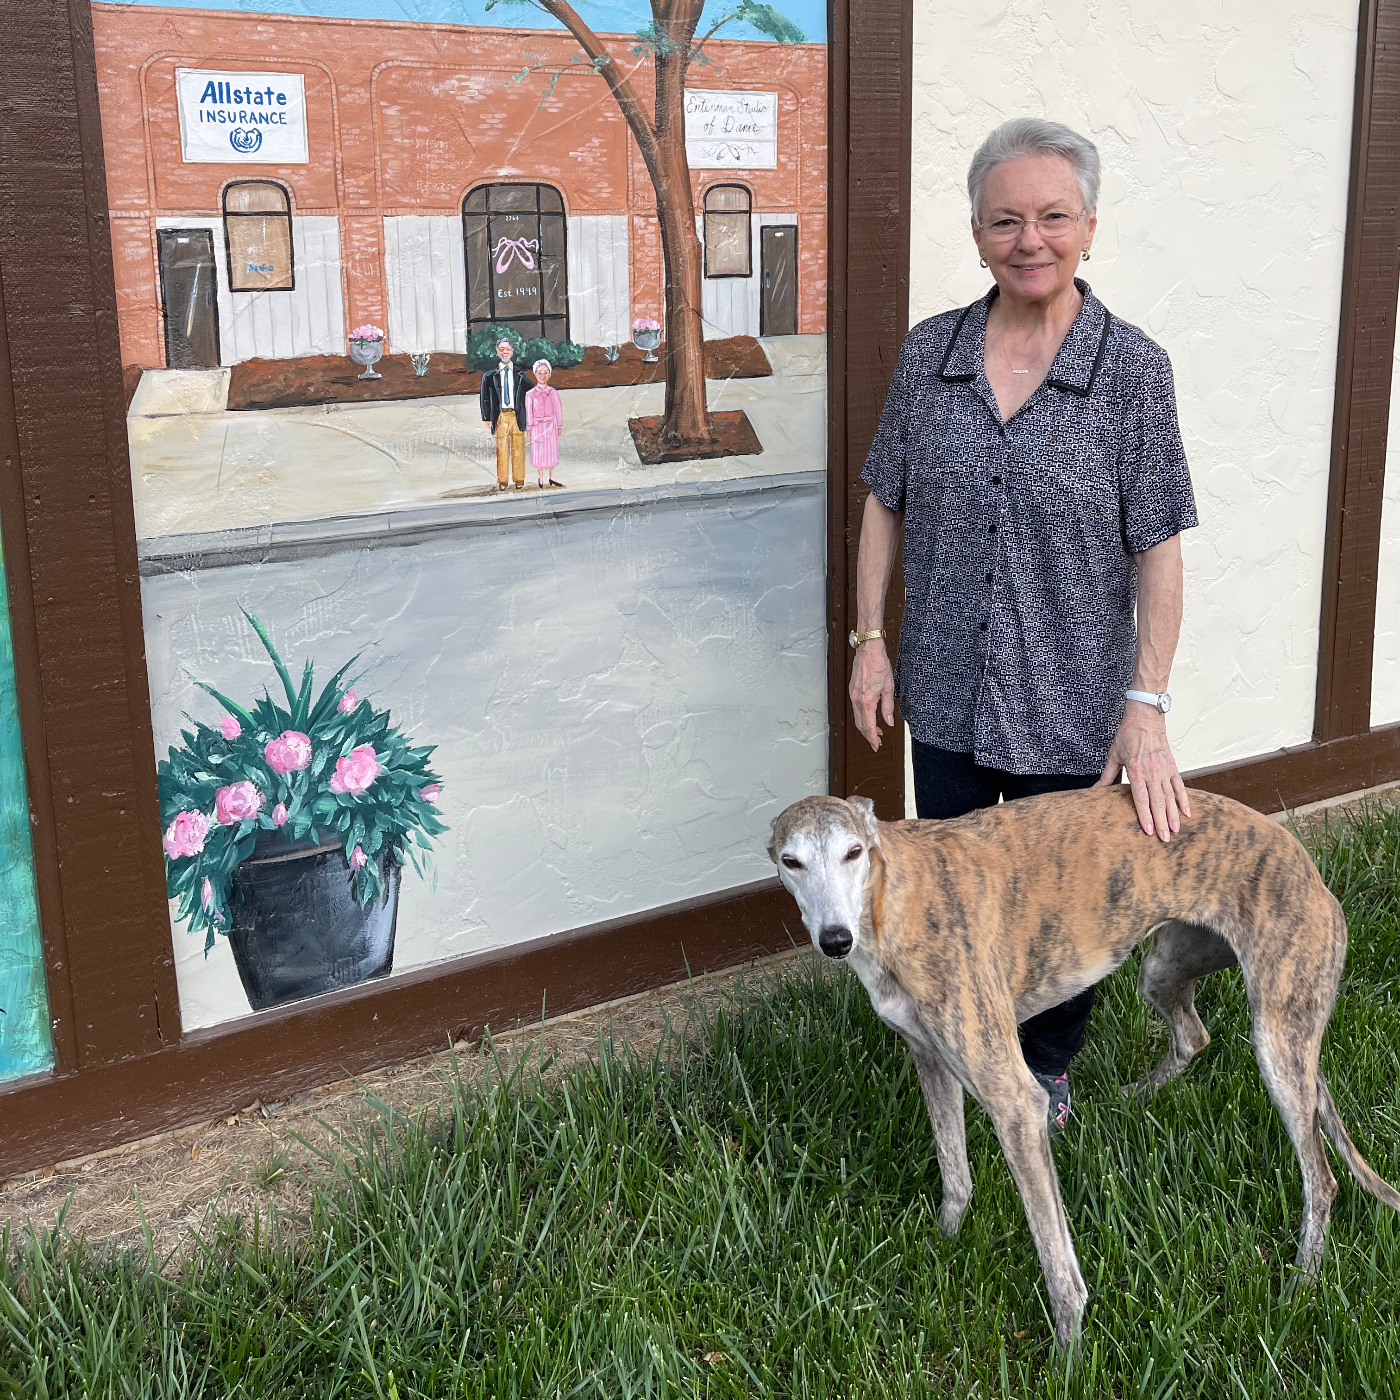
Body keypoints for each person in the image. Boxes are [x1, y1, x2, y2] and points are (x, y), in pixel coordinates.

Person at [850, 117, 1198, 1133]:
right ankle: (965, 1043)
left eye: (1051, 216)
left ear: (1087, 226)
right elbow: (884, 495)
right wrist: (868, 640)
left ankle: (1043, 1068)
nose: (1027, 238)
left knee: (1065, 903)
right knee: (951, 893)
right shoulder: (931, 355)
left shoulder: (1131, 371)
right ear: (974, 232)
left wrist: (1144, 707)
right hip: (946, 691)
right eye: (1004, 219)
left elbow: (1159, 546)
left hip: (1071, 700)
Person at [479, 337, 533, 491]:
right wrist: (486, 417)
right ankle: (503, 481)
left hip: (516, 415)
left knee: (518, 448)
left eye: (507, 349)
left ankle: (519, 479)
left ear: (512, 351)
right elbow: (484, 398)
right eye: (501, 349)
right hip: (500, 415)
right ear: (497, 351)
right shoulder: (489, 376)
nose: (505, 352)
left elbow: (531, 393)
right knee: (501, 448)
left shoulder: (520, 374)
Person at [525, 359, 564, 488]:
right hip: (537, 426)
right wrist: (529, 427)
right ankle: (540, 477)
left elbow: (558, 409)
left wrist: (559, 425)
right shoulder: (530, 394)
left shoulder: (553, 392)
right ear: (535, 374)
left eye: (546, 373)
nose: (543, 376)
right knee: (539, 451)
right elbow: (529, 411)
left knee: (551, 450)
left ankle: (552, 476)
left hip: (550, 426)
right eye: (540, 373)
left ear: (550, 374)